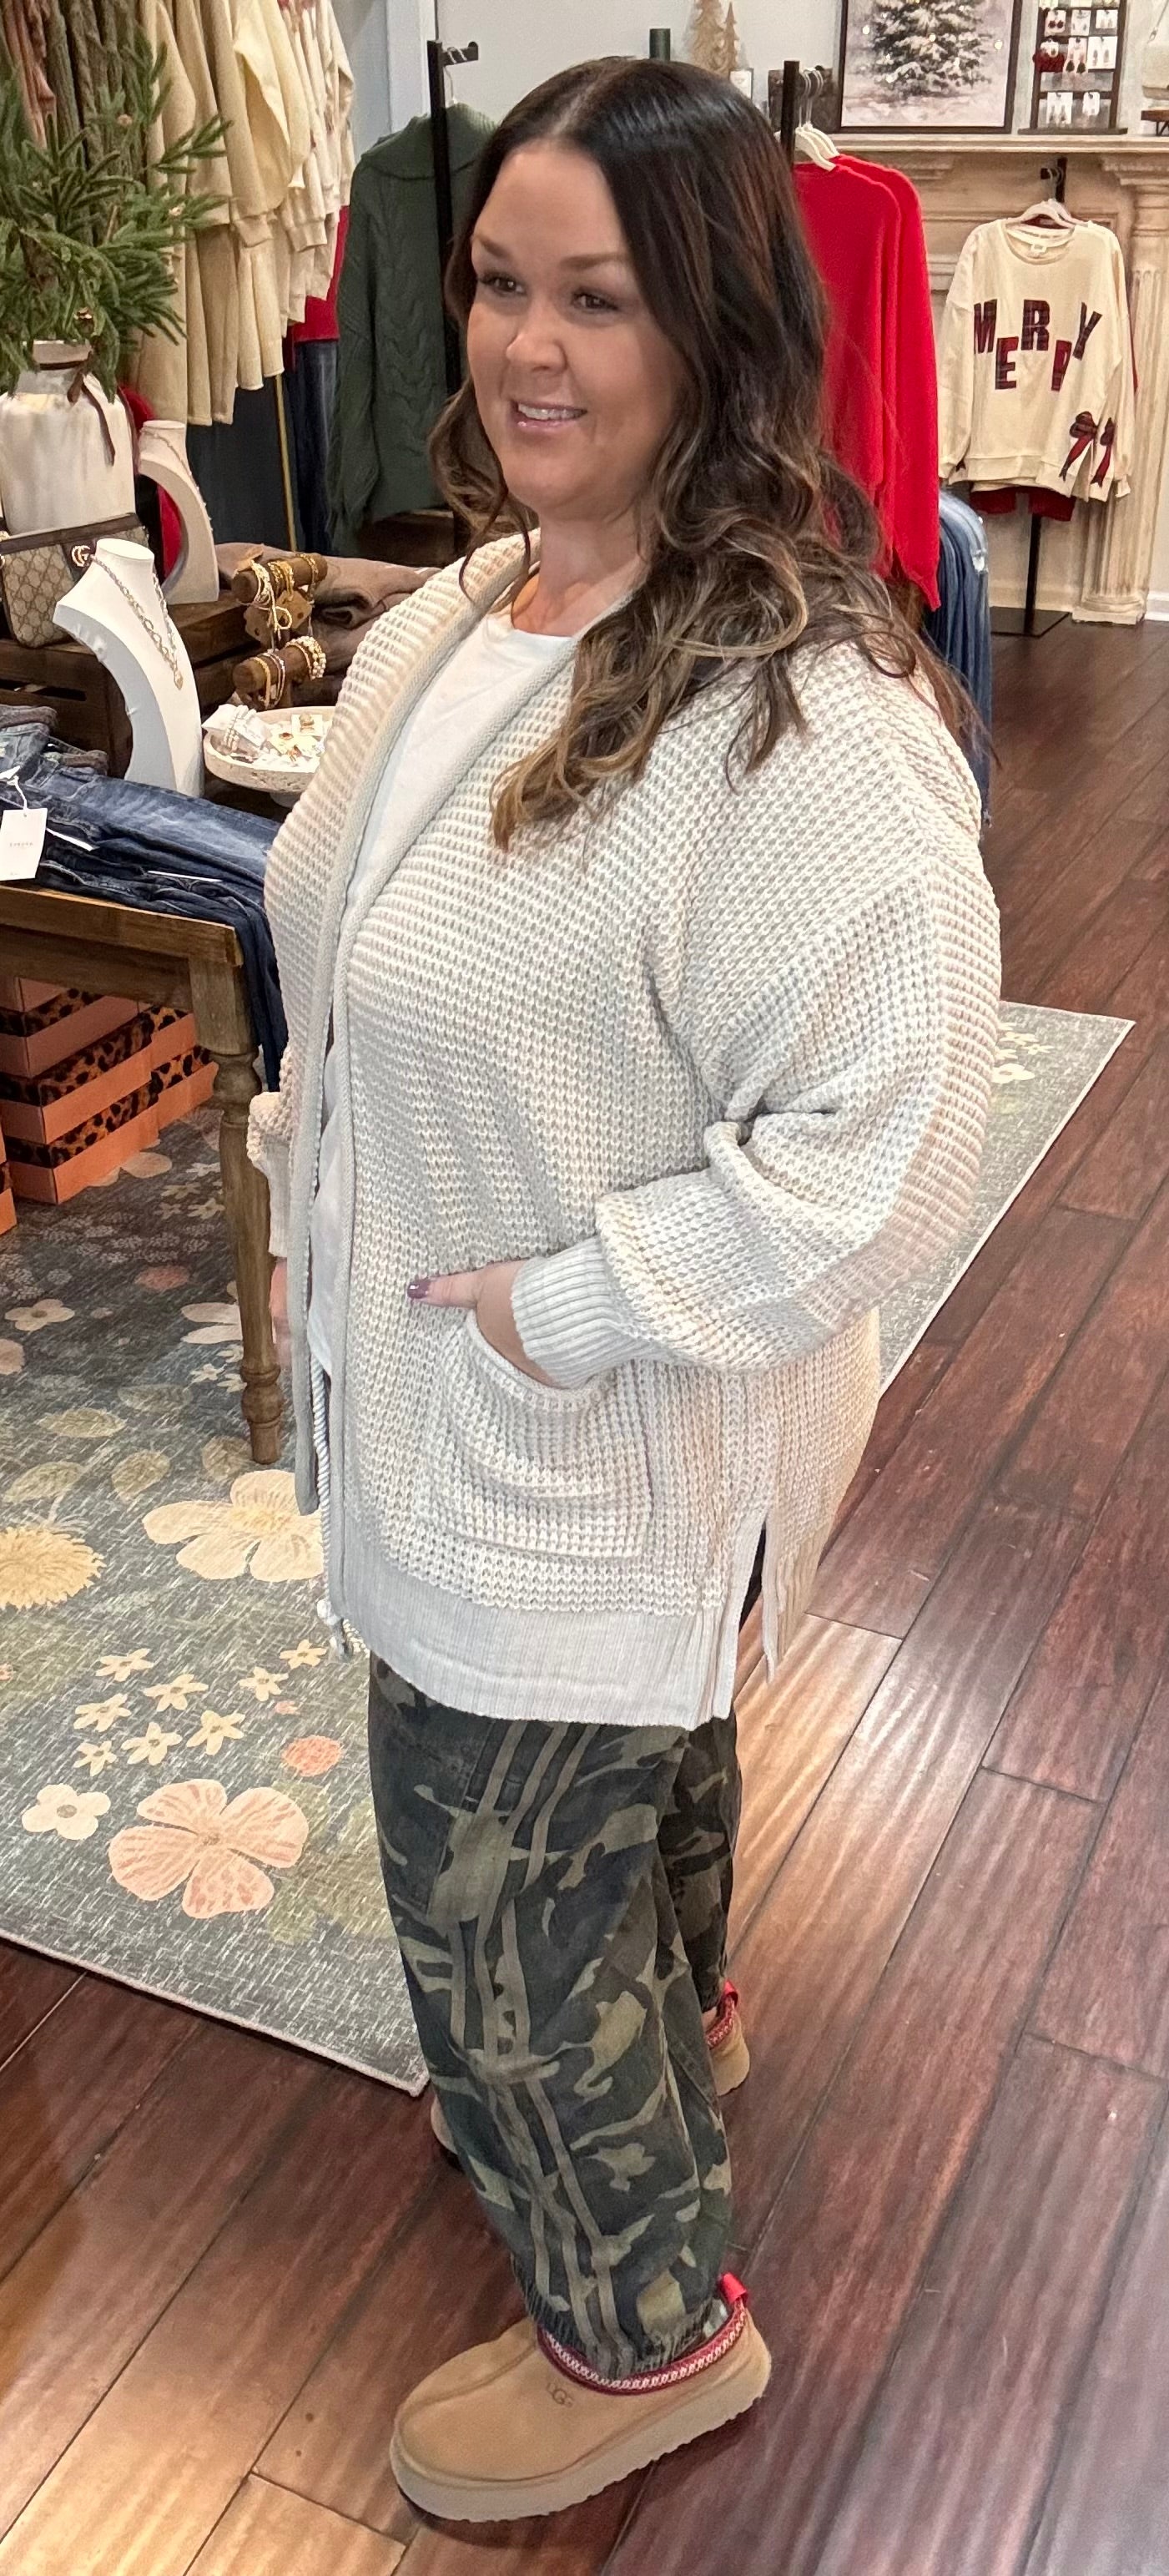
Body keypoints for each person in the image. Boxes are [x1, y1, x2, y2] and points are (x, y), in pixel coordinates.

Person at [248, 56, 1000, 2524]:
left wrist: (565, 1305)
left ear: (717, 329)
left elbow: (891, 1153)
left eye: (597, 298)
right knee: (629, 1802)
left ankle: (643, 2327)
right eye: (496, 285)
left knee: (489, 1897)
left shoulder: (796, 721)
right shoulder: (478, 608)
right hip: (476, 1403)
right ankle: (669, 2030)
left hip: (582, 1422)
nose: (523, 349)